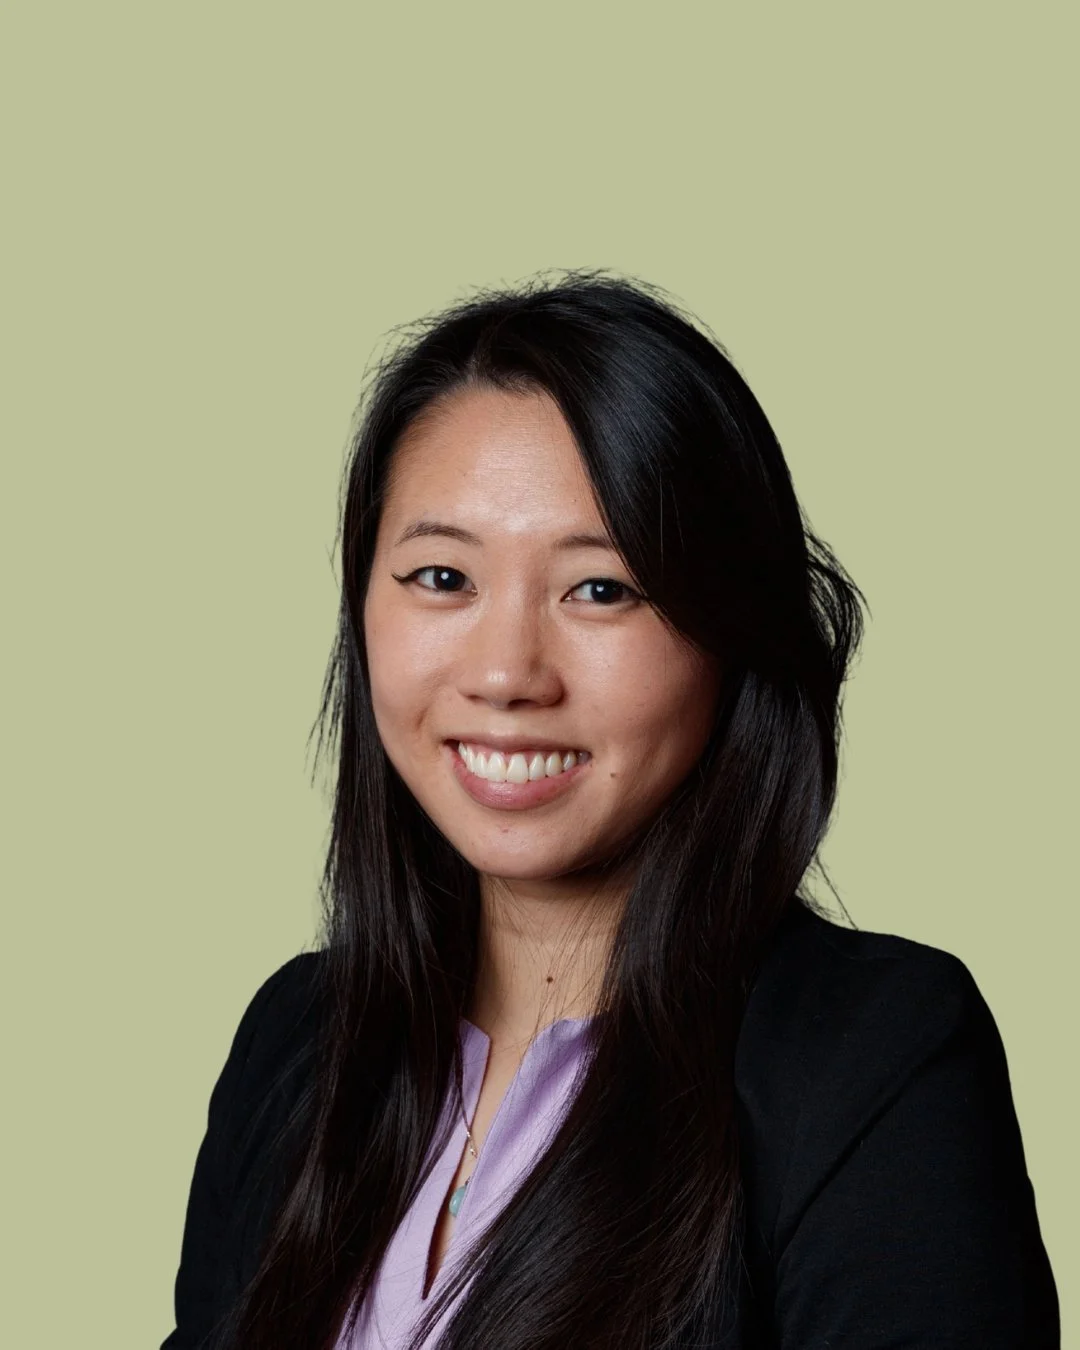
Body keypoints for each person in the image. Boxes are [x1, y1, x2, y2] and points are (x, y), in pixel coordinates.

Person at [162, 271, 1059, 1349]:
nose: (505, 673)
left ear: (730, 632)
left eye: (601, 589)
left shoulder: (871, 1061)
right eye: (441, 577)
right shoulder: (298, 1044)